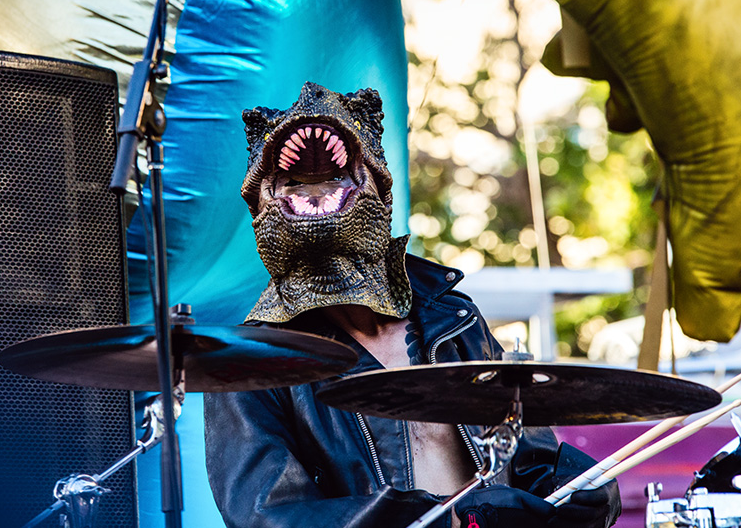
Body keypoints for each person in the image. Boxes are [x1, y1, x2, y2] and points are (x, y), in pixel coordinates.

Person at [203, 82, 621, 528]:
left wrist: (587, 492)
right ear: (258, 200)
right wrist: (446, 520)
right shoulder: (248, 367)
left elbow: (531, 462)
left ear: (380, 183)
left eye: (333, 179)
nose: (309, 95)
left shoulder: (455, 322)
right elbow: (270, 518)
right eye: (299, 183)